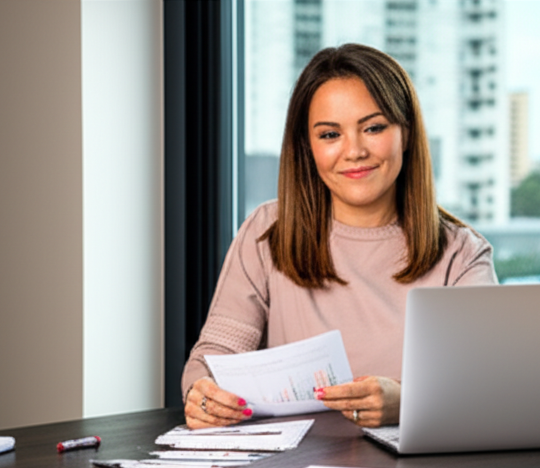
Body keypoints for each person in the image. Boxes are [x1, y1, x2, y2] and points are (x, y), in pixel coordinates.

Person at [181, 43, 497, 430]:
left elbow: (485, 388)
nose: (354, 151)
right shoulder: (266, 231)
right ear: (308, 147)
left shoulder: (461, 255)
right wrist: (204, 393)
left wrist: (408, 401)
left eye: (374, 128)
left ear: (407, 134)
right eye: (330, 134)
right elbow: (214, 357)